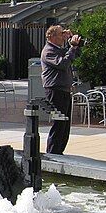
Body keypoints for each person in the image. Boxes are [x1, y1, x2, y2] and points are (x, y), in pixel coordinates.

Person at [40, 25, 82, 155]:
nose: (62, 36)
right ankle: (52, 153)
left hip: (64, 91)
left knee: (65, 124)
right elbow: (63, 64)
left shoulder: (59, 49)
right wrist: (72, 48)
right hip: (54, 91)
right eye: (60, 34)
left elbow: (75, 55)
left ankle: (59, 152)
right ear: (51, 37)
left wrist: (73, 41)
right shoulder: (48, 51)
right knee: (58, 123)